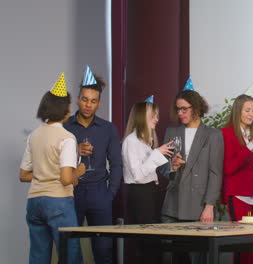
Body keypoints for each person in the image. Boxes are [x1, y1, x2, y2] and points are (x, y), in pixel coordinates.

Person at [19, 74, 85, 263]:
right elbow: (66, 179)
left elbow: (23, 175)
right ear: (64, 109)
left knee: (38, 256)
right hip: (59, 202)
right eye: (69, 105)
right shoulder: (67, 138)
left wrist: (43, 175)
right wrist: (78, 172)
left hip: (34, 202)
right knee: (70, 255)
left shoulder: (34, 136)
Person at [64, 68, 122, 263]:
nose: (88, 105)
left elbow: (116, 164)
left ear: (99, 103)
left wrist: (110, 194)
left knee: (104, 249)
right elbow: (54, 161)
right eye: (85, 99)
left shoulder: (108, 128)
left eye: (93, 101)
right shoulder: (65, 127)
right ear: (78, 100)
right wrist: (75, 151)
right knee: (70, 248)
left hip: (100, 193)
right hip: (72, 192)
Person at [162, 90, 224, 263]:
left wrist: (209, 205)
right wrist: (171, 166)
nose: (180, 113)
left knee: (197, 258)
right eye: (178, 109)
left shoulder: (213, 135)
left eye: (184, 109)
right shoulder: (171, 132)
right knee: (169, 258)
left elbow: (215, 172)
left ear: (196, 108)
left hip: (198, 206)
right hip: (172, 204)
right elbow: (161, 168)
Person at [122, 101, 174, 263]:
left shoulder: (145, 141)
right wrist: (157, 154)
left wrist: (170, 163)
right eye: (153, 115)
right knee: (147, 244)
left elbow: (150, 170)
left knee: (152, 243)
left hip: (149, 192)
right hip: (139, 194)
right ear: (142, 117)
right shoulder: (131, 141)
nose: (157, 119)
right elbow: (138, 175)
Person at [221, 94, 253, 264]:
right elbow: (229, 168)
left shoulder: (249, 134)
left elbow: (251, 165)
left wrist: (252, 145)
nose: (251, 114)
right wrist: (250, 146)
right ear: (237, 112)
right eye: (247, 110)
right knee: (244, 240)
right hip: (238, 192)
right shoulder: (226, 133)